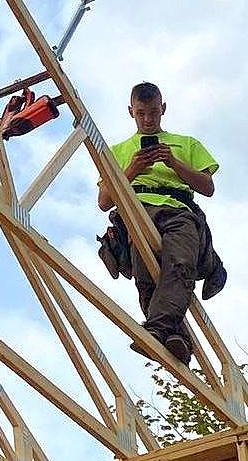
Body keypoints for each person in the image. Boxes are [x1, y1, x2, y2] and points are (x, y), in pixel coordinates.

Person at [95, 81, 224, 366]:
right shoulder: (117, 151)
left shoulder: (186, 143)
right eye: (141, 113)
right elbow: (104, 201)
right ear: (131, 112)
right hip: (135, 210)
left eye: (153, 112)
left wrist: (174, 163)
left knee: (179, 264)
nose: (148, 119)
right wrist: (132, 169)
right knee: (147, 276)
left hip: (179, 210)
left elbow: (208, 188)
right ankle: (175, 338)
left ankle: (157, 330)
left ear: (163, 108)